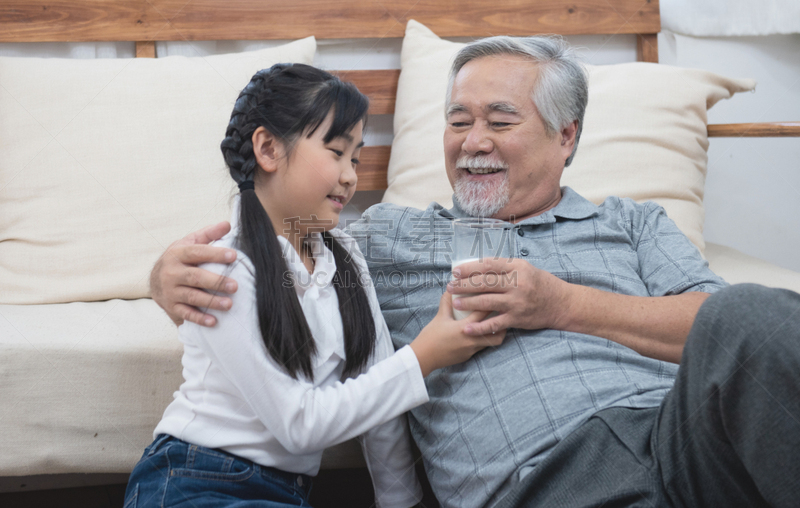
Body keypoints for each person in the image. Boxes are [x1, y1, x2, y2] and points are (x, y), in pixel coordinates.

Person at [149, 40, 800, 508]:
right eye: (458, 122)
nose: (472, 141)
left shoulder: (634, 223)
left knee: (759, 309)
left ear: (565, 136)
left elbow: (723, 338)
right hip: (546, 482)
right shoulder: (385, 239)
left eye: (500, 120)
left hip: (679, 445)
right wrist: (163, 276)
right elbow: (272, 238)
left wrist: (564, 304)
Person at [125, 63, 506, 508]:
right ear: (268, 149)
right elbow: (299, 423)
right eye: (335, 152)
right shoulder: (227, 268)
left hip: (286, 493)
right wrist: (423, 357)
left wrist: (399, 500)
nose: (349, 175)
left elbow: (379, 405)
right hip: (198, 478)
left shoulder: (344, 257)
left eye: (356, 157)